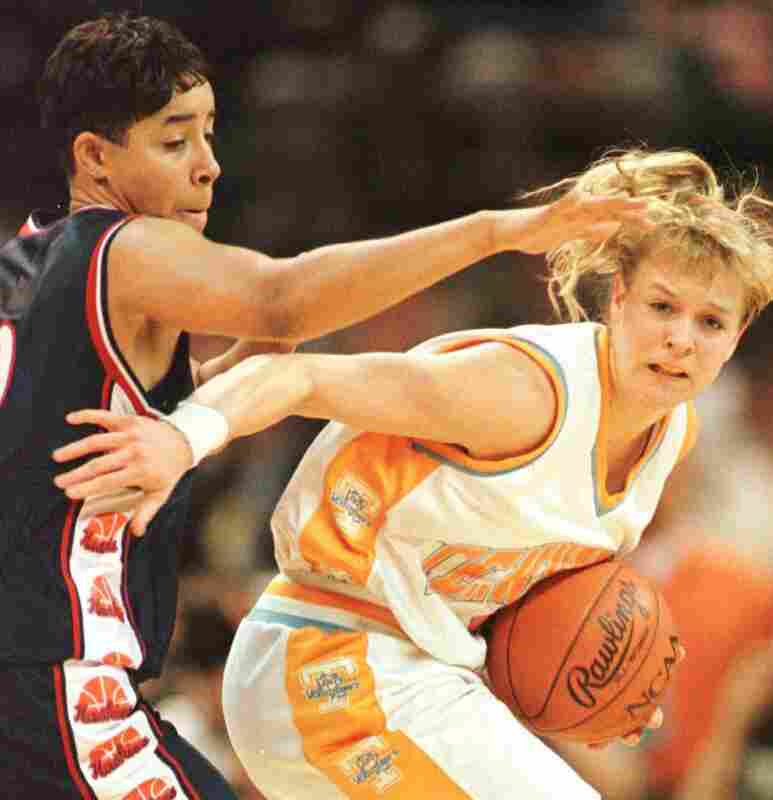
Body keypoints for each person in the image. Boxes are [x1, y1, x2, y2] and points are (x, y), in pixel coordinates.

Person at [0, 12, 651, 800]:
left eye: (209, 134)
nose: (208, 165)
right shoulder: (122, 247)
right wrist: (497, 230)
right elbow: (282, 300)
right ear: (94, 157)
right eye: (175, 142)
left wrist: (232, 383)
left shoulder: (32, 262)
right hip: (63, 687)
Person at [51, 147, 773, 800]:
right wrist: (184, 439)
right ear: (620, 300)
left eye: (710, 322)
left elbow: (524, 604)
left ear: (738, 337)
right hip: (326, 652)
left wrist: (603, 686)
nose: (679, 338)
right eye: (662, 306)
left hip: (419, 670)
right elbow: (303, 375)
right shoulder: (522, 392)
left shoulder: (674, 432)